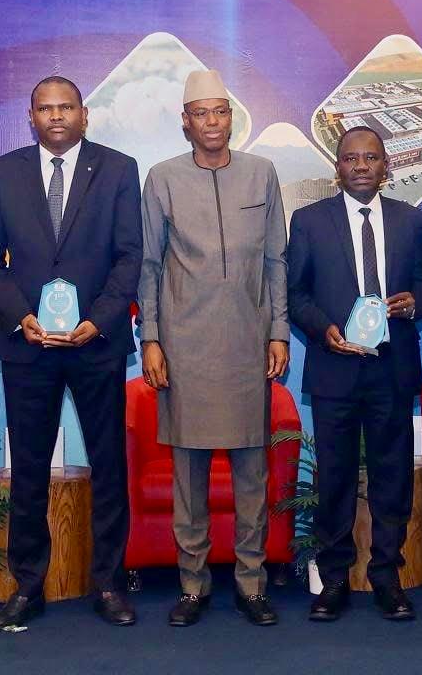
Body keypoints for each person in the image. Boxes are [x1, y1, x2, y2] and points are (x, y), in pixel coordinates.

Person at [0, 76, 143, 629]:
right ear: (31, 117)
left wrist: (99, 321)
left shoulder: (118, 169)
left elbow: (129, 256)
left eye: (65, 107)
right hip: (28, 346)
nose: (55, 116)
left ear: (84, 114)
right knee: (28, 469)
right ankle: (28, 586)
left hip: (97, 344)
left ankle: (109, 583)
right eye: (45, 108)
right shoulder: (3, 172)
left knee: (109, 466)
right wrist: (21, 317)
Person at [138, 69, 289, 627]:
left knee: (252, 478)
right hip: (184, 351)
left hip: (248, 347)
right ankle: (192, 586)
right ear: (186, 122)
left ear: (232, 117)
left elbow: (276, 261)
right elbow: (149, 267)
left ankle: (252, 585)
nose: (212, 122)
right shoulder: (162, 178)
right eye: (201, 113)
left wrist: (278, 331)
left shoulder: (261, 173)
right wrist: (152, 339)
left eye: (220, 112)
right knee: (190, 481)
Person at [287, 126, 422, 622]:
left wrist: (415, 303)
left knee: (393, 477)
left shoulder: (411, 220)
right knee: (335, 478)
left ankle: (387, 577)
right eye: (352, 158)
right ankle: (333, 581)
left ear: (386, 165)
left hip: (392, 367)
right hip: (335, 368)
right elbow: (295, 293)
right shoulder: (309, 221)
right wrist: (322, 328)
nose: (362, 166)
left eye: (371, 158)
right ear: (338, 167)